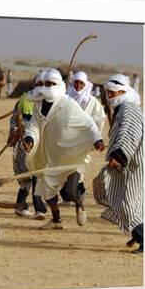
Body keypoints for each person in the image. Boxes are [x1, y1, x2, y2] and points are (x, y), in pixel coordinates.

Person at [24, 68, 105, 229]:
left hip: (70, 156)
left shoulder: (68, 104)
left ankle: (79, 204)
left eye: (51, 84)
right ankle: (56, 220)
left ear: (58, 85)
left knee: (69, 192)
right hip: (49, 155)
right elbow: (32, 125)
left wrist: (97, 139)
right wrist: (30, 138)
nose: (47, 87)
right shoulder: (37, 105)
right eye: (45, 84)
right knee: (48, 191)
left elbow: (88, 123)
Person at [93, 74, 143, 252]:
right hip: (127, 164)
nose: (110, 96)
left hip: (133, 164)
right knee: (125, 202)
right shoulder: (122, 108)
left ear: (123, 91)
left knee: (127, 206)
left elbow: (129, 134)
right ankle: (140, 237)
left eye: (113, 93)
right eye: (109, 93)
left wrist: (119, 156)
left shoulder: (128, 109)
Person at [62, 70, 106, 204]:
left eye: (81, 83)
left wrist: (93, 137)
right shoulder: (65, 97)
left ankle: (79, 195)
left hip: (82, 142)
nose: (78, 86)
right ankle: (66, 196)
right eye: (76, 82)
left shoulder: (92, 102)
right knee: (62, 169)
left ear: (85, 84)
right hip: (64, 141)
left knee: (78, 169)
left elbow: (99, 119)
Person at [8, 71, 47, 219]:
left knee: (38, 175)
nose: (41, 87)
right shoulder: (24, 100)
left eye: (45, 84)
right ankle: (34, 208)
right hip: (24, 144)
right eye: (39, 84)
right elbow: (15, 119)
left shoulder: (52, 102)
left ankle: (26, 206)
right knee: (27, 176)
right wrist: (16, 131)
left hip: (42, 145)